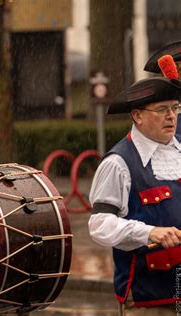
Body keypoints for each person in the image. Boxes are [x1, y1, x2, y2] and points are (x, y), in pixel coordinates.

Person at [88, 76, 181, 315]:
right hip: (148, 299)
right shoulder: (118, 163)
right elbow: (99, 224)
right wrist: (148, 232)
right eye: (161, 109)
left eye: (175, 107)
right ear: (137, 116)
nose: (171, 116)